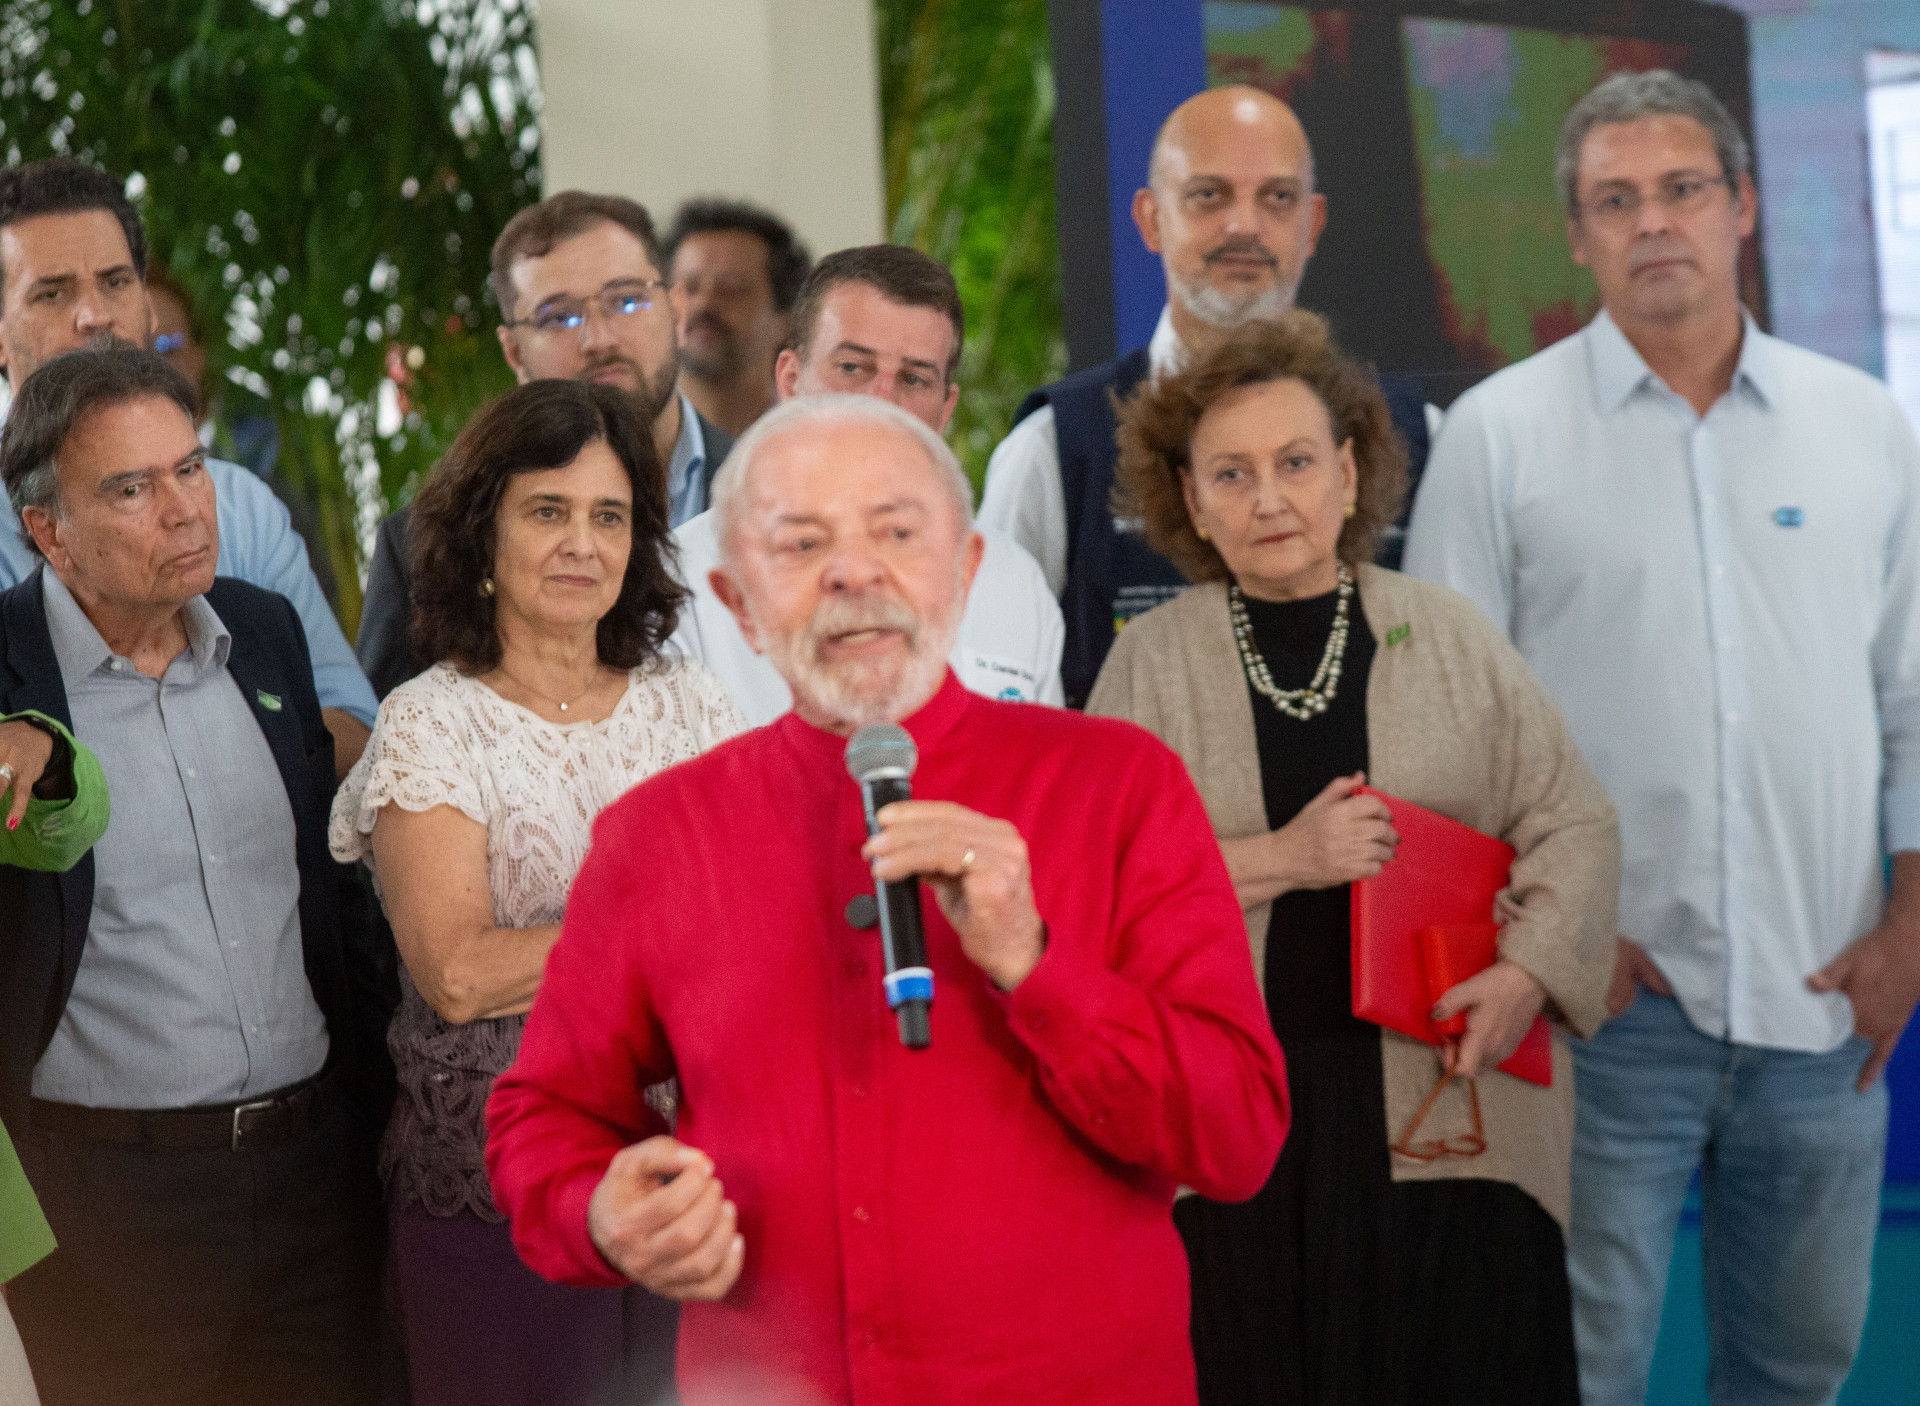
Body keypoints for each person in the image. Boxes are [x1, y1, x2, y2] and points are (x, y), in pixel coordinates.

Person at [486, 393, 1288, 1406]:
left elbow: (1238, 1136)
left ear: (966, 568)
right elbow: (542, 1116)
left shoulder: (1122, 787)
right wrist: (599, 1213)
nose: (853, 573)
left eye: (896, 532)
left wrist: (1037, 964)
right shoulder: (657, 834)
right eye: (802, 542)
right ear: (737, 603)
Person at [1403, 70, 1920, 1406]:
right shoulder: (1500, 436)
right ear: (1577, 235)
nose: (1652, 222)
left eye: (1682, 189)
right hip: (1597, 1012)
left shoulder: (1866, 426)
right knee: (1576, 1370)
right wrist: (1550, 932)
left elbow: (1914, 697)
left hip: (1821, 1000)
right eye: (1615, 200)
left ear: (1742, 205)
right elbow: (1447, 725)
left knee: (1799, 1367)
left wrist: (1913, 929)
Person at [1086, 313, 1616, 1405]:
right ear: (1189, 498)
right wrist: (1285, 857)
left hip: (1447, 1115)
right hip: (1233, 1142)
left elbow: (1576, 822)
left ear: (1350, 470)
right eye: (1231, 473)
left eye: (1295, 462)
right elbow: (1094, 886)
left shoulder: (1451, 634)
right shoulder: (1148, 666)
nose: (1268, 498)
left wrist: (1526, 975)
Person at [331, 377, 743, 1405]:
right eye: (548, 511)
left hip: (695, 1183)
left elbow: (758, 926)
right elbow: (460, 973)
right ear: (484, 533)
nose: (581, 544)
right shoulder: (433, 721)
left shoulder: (693, 706)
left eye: (609, 516)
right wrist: (662, 930)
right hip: (498, 1196)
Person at [0, 347, 386, 1405]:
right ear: (48, 531)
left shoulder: (263, 632)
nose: (184, 510)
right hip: (107, 1207)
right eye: (131, 488)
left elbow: (329, 890)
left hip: (310, 1177)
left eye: (190, 468)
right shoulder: (9, 677)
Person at [980, 85, 1434, 708]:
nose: (1244, 225)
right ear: (1151, 219)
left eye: (1277, 198)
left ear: (1313, 225)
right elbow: (995, 692)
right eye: (1208, 196)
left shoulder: (1418, 434)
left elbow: (1452, 681)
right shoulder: (1056, 448)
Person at [0, 157, 377, 772]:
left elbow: (354, 728)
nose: (95, 315)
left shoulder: (241, 504)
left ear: (149, 311)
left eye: (116, 282)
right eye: (52, 292)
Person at [356, 189, 736, 700]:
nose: (599, 339)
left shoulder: (781, 499)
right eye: (560, 317)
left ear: (678, 311)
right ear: (514, 352)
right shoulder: (424, 547)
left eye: (627, 301)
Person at [671, 245, 1065, 722]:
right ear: (790, 381)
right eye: (853, 368)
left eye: (914, 379)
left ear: (945, 409)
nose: (880, 402)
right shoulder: (682, 578)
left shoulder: (1012, 581)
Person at [665, 198, 812, 436]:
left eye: (731, 289)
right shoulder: (627, 445)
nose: (704, 303)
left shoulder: (818, 439)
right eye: (689, 289)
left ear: (786, 321)